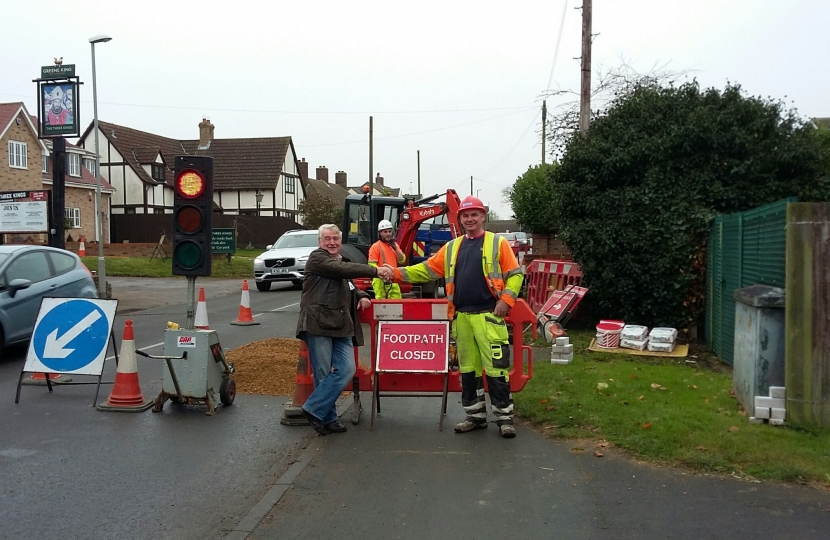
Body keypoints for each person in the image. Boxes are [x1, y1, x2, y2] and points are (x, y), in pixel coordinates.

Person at [388, 196, 524, 438]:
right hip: (461, 317)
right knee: (468, 371)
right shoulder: (452, 247)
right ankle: (475, 416)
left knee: (496, 370)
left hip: (489, 317)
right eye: (465, 215)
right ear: (459, 219)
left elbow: (515, 274)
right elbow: (426, 270)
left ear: (483, 216)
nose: (470, 219)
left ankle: (504, 418)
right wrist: (395, 274)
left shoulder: (497, 243)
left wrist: (507, 301)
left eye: (474, 214)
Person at [296, 224, 394, 435]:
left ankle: (314, 409)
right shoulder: (317, 258)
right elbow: (340, 272)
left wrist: (363, 296)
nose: (332, 242)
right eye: (327, 239)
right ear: (320, 242)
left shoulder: (340, 262)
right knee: (323, 374)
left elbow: (348, 285)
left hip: (341, 324)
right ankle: (327, 418)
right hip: (318, 322)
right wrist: (376, 270)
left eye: (335, 239)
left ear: (340, 242)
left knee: (347, 368)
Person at [368, 219, 406, 299]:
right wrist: (382, 272)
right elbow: (371, 265)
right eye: (385, 232)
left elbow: (402, 260)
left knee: (397, 305)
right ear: (380, 233)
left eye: (389, 231)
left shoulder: (394, 245)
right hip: (380, 282)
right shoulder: (375, 247)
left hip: (393, 280)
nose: (388, 234)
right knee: (382, 307)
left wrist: (395, 248)